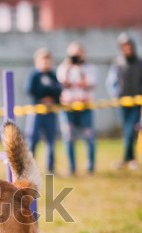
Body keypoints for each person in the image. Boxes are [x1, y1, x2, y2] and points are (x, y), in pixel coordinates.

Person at [106, 33, 142, 170]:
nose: (128, 48)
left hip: (137, 102)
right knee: (127, 131)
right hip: (122, 103)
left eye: (130, 46)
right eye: (125, 46)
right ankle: (129, 159)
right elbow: (111, 83)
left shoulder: (141, 63)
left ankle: (128, 158)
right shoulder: (117, 63)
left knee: (130, 130)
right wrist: (116, 96)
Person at [57, 42, 97, 176]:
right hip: (68, 108)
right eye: (74, 53)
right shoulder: (63, 67)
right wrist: (68, 68)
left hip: (85, 107)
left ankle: (90, 168)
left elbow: (89, 84)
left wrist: (79, 69)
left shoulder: (89, 67)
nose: (76, 56)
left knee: (89, 137)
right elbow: (62, 83)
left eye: (79, 53)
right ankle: (71, 168)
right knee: (68, 138)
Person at [25, 48, 61, 174]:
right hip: (37, 111)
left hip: (50, 112)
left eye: (48, 60)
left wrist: (52, 99)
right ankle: (29, 168)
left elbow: (58, 90)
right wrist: (43, 98)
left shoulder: (52, 75)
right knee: (33, 139)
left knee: (51, 141)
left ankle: (51, 168)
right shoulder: (34, 75)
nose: (46, 63)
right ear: (37, 62)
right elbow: (30, 90)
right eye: (43, 60)